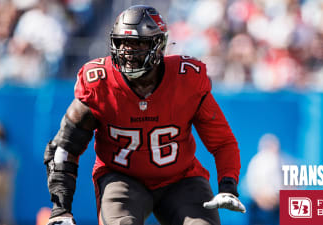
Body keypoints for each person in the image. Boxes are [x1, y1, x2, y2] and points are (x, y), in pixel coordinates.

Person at [44, 5, 245, 225]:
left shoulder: (186, 79)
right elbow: (63, 147)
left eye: (138, 43)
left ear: (159, 46)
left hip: (181, 179)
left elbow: (223, 142)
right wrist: (61, 209)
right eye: (122, 42)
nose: (128, 51)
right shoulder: (100, 83)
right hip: (121, 178)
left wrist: (228, 186)